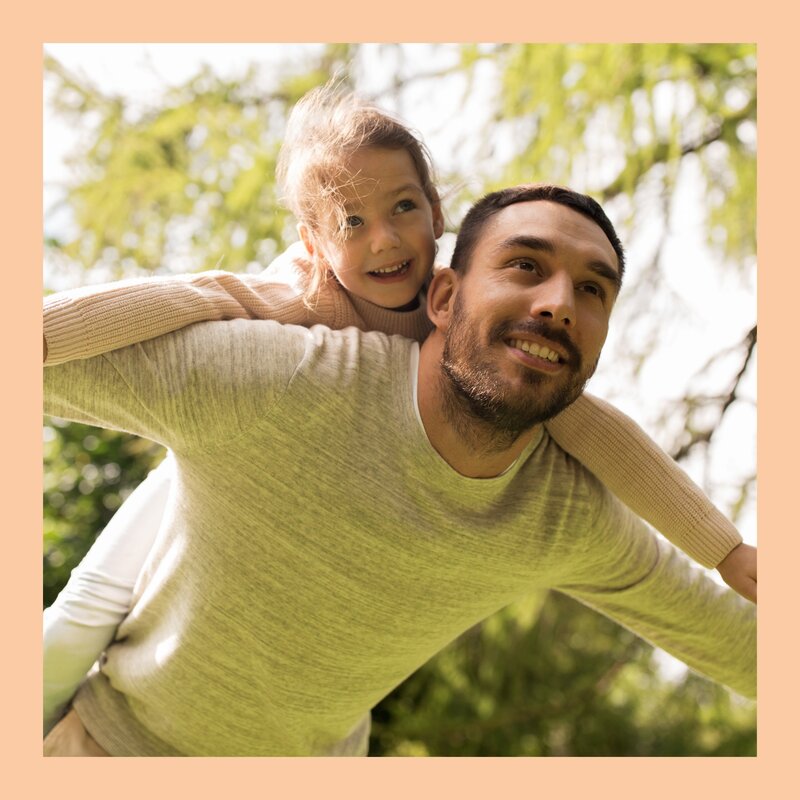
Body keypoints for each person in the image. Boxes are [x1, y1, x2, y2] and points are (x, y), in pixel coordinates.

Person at [43, 181, 756, 756]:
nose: (558, 305)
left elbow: (734, 640)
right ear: (443, 298)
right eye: (526, 266)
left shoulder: (562, 514)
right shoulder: (276, 380)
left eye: (593, 290)